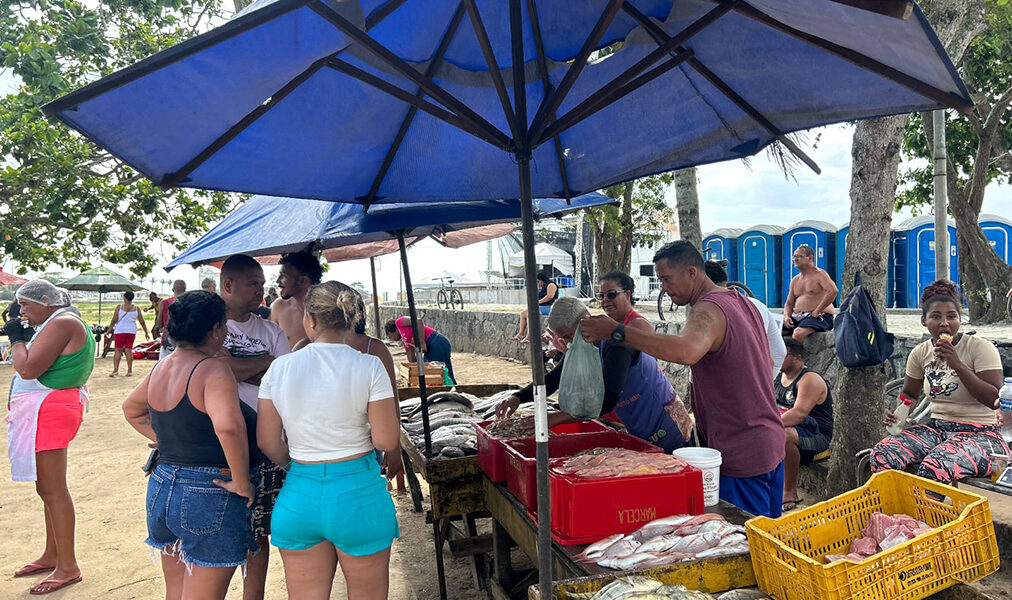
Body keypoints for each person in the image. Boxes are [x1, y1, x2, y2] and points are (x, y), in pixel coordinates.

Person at [581, 241, 785, 518]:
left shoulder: (707, 310)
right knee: (770, 540)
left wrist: (618, 331)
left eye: (666, 278)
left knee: (748, 543)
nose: (663, 288)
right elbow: (770, 360)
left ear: (692, 272)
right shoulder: (742, 301)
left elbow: (686, 351)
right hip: (769, 439)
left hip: (742, 450)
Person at [257, 281, 400, 599]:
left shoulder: (280, 368)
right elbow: (387, 439)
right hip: (358, 498)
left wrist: (296, 465)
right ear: (351, 320)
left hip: (298, 497)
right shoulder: (369, 365)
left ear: (309, 319)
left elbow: (267, 440)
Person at [122, 291, 258, 600]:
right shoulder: (212, 369)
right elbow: (228, 426)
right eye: (223, 325)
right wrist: (241, 481)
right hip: (207, 491)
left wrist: (167, 440)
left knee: (178, 590)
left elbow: (131, 409)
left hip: (162, 486)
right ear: (213, 331)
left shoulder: (162, 367)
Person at [497, 292, 693, 453]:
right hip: (637, 427)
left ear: (585, 321)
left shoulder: (618, 343)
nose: (568, 342)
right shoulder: (582, 346)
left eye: (568, 335)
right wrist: (518, 397)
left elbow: (607, 399)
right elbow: (555, 378)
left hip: (667, 425)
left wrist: (556, 418)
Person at [4, 280, 94, 594]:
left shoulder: (63, 322)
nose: (22, 312)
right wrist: (24, 333)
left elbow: (26, 369)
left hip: (50, 409)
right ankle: (52, 553)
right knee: (47, 487)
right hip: (49, 408)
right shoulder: (58, 322)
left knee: (54, 489)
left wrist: (16, 338)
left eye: (25, 305)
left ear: (46, 301)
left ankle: (68, 566)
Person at [871, 280, 1008, 485]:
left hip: (983, 434)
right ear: (924, 321)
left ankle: (923, 517)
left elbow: (995, 399)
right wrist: (899, 413)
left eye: (951, 316)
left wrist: (957, 365)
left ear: (960, 319)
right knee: (883, 453)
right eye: (936, 316)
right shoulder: (920, 353)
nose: (945, 323)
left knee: (936, 465)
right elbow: (909, 394)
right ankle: (898, 513)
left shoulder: (980, 348)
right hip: (937, 429)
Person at [218, 254, 290, 600]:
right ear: (228, 285)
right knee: (222, 528)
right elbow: (215, 373)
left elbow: (285, 379)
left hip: (265, 444)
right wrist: (266, 366)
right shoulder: (209, 327)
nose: (261, 291)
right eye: (253, 284)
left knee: (260, 530)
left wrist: (234, 366)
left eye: (262, 284)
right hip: (219, 445)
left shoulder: (271, 330)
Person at [776, 338, 833, 512]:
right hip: (790, 429)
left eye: (782, 354)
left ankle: (790, 492)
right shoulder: (779, 377)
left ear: (797, 357)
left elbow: (799, 414)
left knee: (783, 435)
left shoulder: (810, 380)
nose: (777, 358)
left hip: (818, 437)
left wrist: (766, 425)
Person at [705, 261, 786, 378]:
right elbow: (779, 353)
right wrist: (766, 382)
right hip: (758, 385)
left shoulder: (708, 310)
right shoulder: (758, 305)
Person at [783, 245, 838, 341]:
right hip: (799, 316)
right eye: (794, 257)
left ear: (810, 257)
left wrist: (817, 310)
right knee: (775, 331)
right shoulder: (795, 280)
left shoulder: (820, 274)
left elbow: (833, 291)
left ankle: (795, 356)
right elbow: (789, 303)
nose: (795, 259)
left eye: (799, 256)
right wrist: (787, 316)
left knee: (798, 333)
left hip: (820, 316)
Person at [271, 250, 324, 348]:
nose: (278, 281)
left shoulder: (329, 311)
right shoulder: (278, 307)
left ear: (302, 280)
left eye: (283, 276)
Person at [384, 315, 456, 384]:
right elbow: (412, 361)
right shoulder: (405, 342)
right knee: (431, 372)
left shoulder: (399, 322)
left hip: (436, 341)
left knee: (444, 372)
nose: (392, 339)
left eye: (390, 337)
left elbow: (418, 321)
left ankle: (455, 391)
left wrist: (421, 342)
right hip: (429, 350)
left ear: (390, 332)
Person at [107, 291, 149, 377]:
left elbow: (114, 320)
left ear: (124, 298)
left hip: (120, 330)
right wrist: (146, 332)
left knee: (118, 350)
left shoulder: (119, 307)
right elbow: (142, 322)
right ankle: (129, 371)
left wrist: (108, 330)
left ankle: (115, 371)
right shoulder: (136, 309)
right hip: (131, 331)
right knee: (128, 350)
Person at [512, 272, 558, 343]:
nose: (538, 284)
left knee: (530, 314)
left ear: (542, 280)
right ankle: (520, 334)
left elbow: (550, 296)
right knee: (523, 314)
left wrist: (538, 302)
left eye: (538, 281)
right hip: (541, 306)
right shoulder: (543, 287)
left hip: (549, 307)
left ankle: (529, 336)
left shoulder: (551, 285)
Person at [154, 280, 186, 360]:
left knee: (164, 368)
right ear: (185, 289)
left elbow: (159, 324)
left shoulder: (164, 303)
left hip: (167, 341)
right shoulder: (190, 303)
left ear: (172, 289)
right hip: (185, 341)